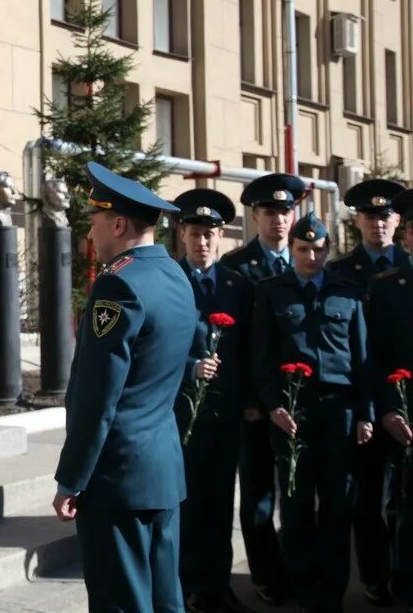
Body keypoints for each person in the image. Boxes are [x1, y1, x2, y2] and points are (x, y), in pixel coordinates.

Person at [53, 162, 195, 612]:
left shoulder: (118, 286)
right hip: (162, 472)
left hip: (118, 478)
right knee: (163, 599)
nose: (90, 233)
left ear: (117, 223)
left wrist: (72, 478)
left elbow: (97, 397)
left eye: (94, 221)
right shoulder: (176, 276)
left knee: (122, 602)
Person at [252, 212, 373, 613]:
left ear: (328, 250)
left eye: (318, 249)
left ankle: (332, 593)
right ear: (293, 249)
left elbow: (363, 360)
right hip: (293, 413)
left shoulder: (349, 293)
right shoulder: (271, 292)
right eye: (303, 249)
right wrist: (273, 406)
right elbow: (262, 358)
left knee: (339, 506)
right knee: (298, 506)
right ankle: (305, 591)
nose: (311, 257)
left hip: (339, 413)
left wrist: (365, 413)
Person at [220, 172, 307, 606]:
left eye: (286, 211)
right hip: (255, 406)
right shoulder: (236, 268)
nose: (279, 220)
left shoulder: (309, 260)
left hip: (300, 404)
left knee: (297, 493)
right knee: (257, 497)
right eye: (270, 212)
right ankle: (267, 576)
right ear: (256, 216)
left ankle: (296, 568)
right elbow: (233, 343)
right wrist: (253, 402)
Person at [171, 189, 257, 613]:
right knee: (186, 501)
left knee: (220, 502)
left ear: (221, 237)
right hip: (181, 411)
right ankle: (186, 585)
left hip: (225, 411)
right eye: (194, 234)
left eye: (209, 234)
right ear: (182, 235)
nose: (202, 242)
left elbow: (250, 350)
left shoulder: (237, 286)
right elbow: (158, 346)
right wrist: (191, 367)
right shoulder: (170, 281)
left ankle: (217, 585)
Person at [327, 179, 405, 605]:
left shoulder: (410, 268)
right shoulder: (338, 272)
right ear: (357, 221)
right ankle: (374, 577)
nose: (379, 223)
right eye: (370, 216)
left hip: (404, 400)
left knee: (404, 499)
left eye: (386, 216)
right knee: (367, 497)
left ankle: (403, 572)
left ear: (397, 220)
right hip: (360, 404)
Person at [368, 187, 413, 608]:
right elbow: (375, 357)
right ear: (409, 238)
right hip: (405, 419)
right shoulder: (387, 288)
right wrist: (387, 409)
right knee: (403, 509)